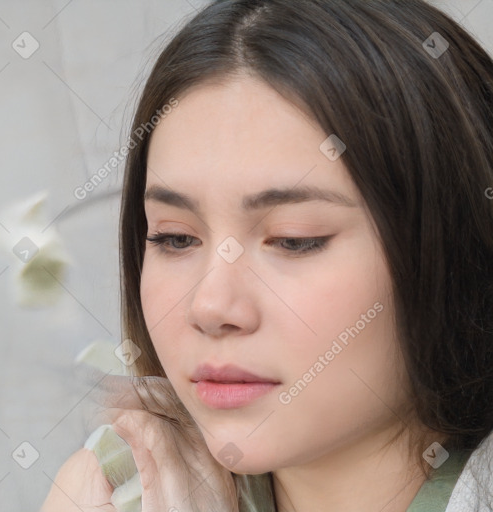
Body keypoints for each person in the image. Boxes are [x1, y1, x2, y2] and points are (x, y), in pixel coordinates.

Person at [41, 0, 493, 510]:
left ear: (456, 247)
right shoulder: (106, 494)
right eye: (175, 238)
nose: (210, 307)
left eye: (294, 239)